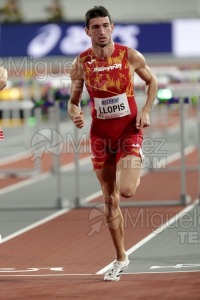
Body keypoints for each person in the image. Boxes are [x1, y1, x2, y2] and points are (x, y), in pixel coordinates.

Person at [68, 6, 158, 281]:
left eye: (105, 25)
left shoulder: (129, 55)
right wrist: (74, 112)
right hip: (100, 137)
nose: (102, 31)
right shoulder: (81, 63)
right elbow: (73, 101)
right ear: (88, 31)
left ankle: (133, 156)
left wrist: (145, 110)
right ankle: (121, 258)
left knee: (127, 190)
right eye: (95, 27)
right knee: (109, 200)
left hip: (129, 131)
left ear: (112, 27)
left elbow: (152, 81)